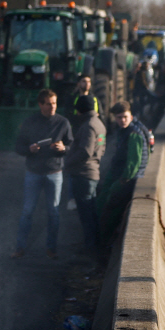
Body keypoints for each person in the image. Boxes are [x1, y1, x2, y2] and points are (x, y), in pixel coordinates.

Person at [11, 89, 74, 259]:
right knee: (27, 211)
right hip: (34, 172)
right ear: (40, 105)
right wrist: (29, 150)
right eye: (48, 103)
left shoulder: (63, 123)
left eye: (54, 103)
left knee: (53, 212)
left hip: (55, 172)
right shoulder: (30, 122)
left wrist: (63, 148)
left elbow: (71, 146)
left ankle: (51, 249)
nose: (52, 107)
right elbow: (18, 147)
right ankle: (20, 247)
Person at [97, 100, 151, 245]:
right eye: (119, 117)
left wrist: (121, 181)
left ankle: (103, 241)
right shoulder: (126, 131)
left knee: (110, 208)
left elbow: (133, 164)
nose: (122, 120)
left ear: (131, 117)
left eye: (125, 117)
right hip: (122, 177)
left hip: (127, 180)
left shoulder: (133, 134)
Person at [64, 94, 106, 252]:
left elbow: (85, 151)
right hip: (93, 172)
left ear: (80, 110)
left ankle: (90, 247)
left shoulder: (88, 126)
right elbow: (101, 149)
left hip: (83, 175)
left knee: (86, 214)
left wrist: (67, 162)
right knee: (91, 211)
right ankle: (94, 244)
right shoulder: (99, 124)